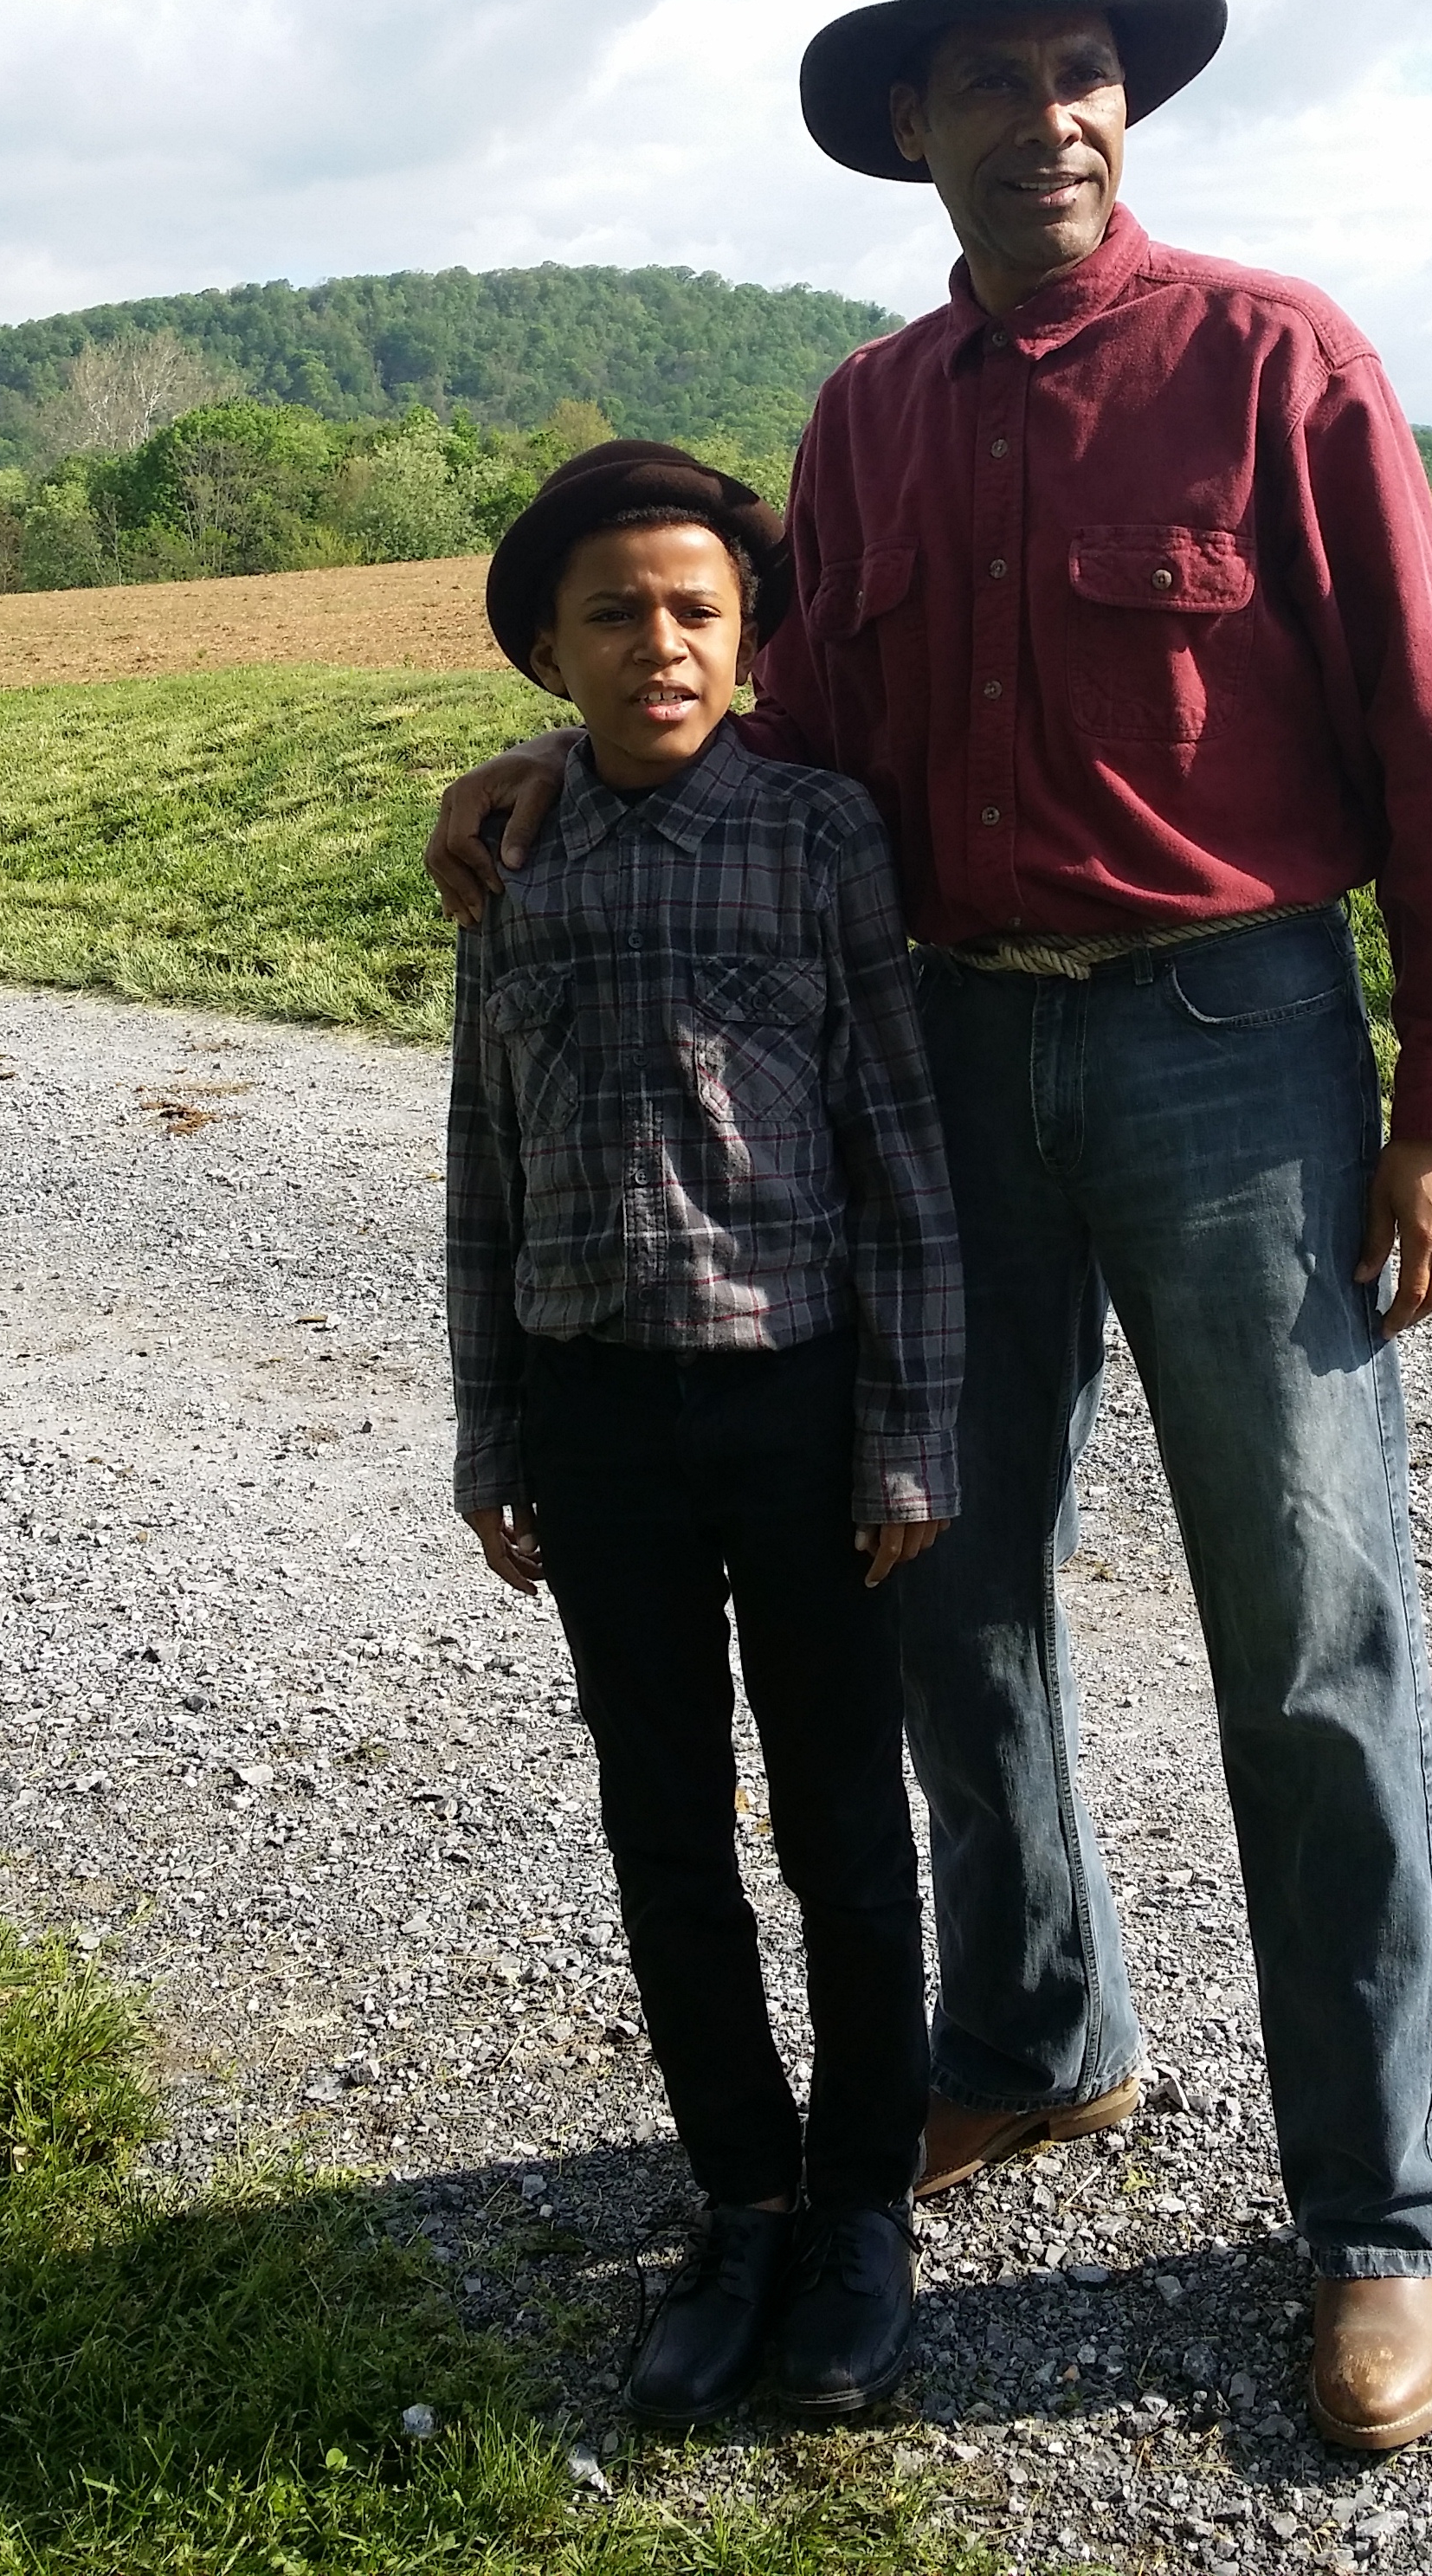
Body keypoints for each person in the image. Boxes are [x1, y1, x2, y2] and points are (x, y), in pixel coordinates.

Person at [429, 0, 1432, 2455]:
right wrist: (536, 770)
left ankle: (1377, 2220)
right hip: (935, 1063)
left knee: (1309, 1642)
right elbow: (773, 711)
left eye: (1080, 74)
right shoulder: (864, 421)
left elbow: (1426, 733)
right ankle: (1037, 2036)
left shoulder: (1276, 360)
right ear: (904, 128)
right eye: (987, 82)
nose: (1045, 118)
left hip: (1229, 1045)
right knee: (947, 1585)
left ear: (1120, 107)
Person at [446, 439, 961, 2426]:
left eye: (693, 612)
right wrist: (493, 1419)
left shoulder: (823, 834)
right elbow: (482, 1153)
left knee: (843, 1813)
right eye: (611, 615)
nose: (656, 644)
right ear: (548, 652)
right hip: (595, 1407)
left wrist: (909, 1431)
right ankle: (738, 2198)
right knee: (662, 1818)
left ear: (748, 638)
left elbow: (901, 1146)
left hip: (799, 1401)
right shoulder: (512, 859)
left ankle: (859, 2213)